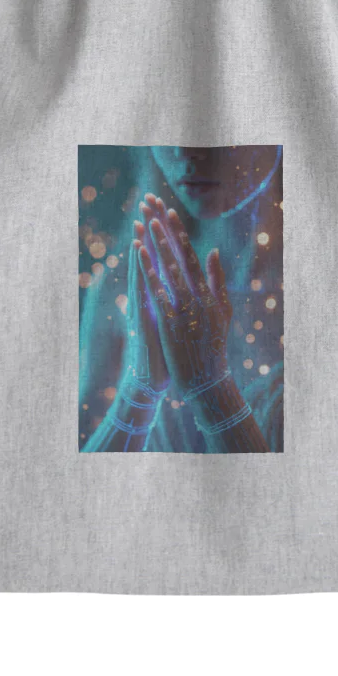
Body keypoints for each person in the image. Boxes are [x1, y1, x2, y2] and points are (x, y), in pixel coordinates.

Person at [80, 146, 284, 453]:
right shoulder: (125, 284)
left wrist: (210, 389)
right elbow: (76, 476)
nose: (184, 151)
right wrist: (139, 390)